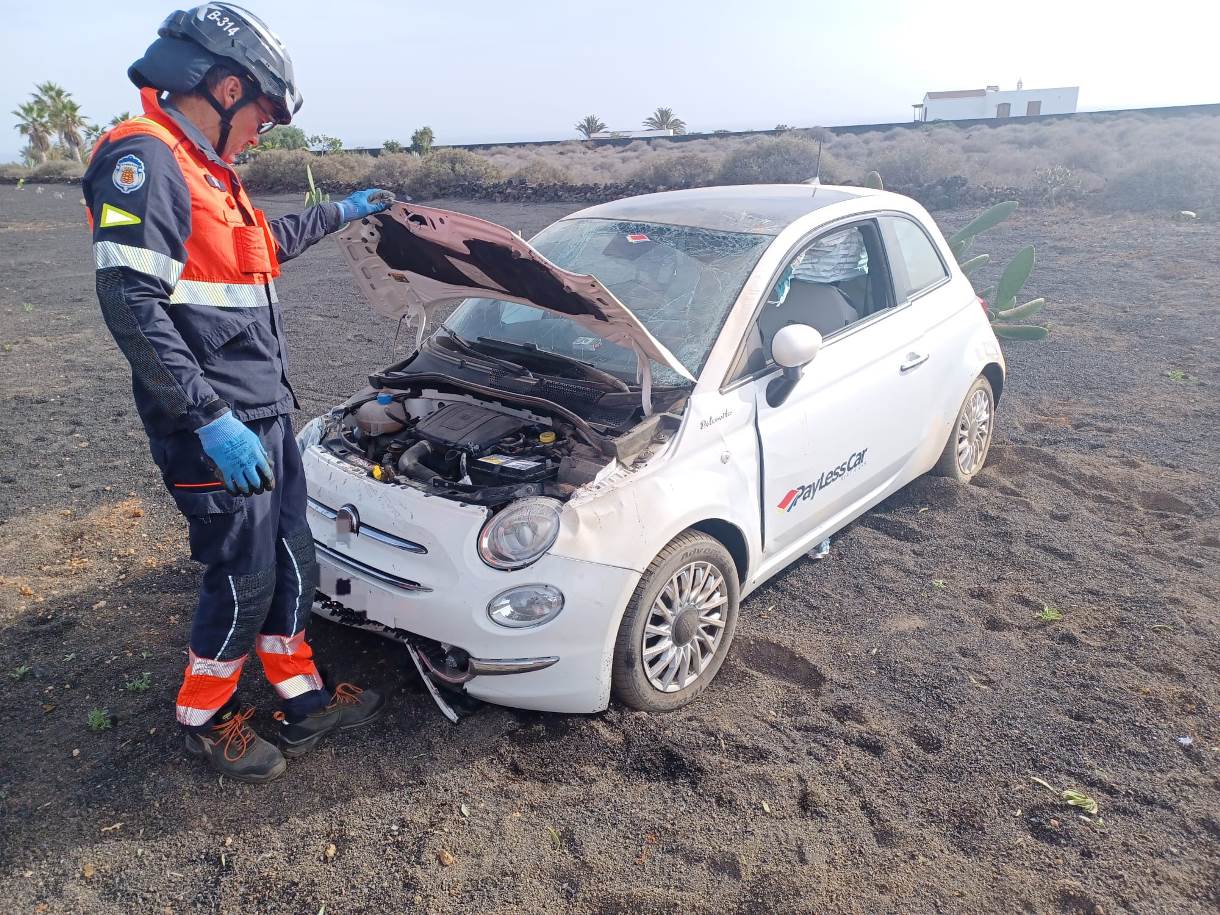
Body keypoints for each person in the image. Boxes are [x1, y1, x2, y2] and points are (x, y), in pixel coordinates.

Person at [82, 3, 392, 783]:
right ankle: (204, 715)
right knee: (242, 572)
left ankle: (303, 699)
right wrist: (211, 418)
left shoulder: (211, 174)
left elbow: (261, 249)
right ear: (224, 88)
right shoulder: (142, 159)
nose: (265, 131)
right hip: (210, 423)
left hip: (265, 412)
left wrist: (342, 212)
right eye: (264, 113)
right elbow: (130, 301)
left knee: (294, 556)